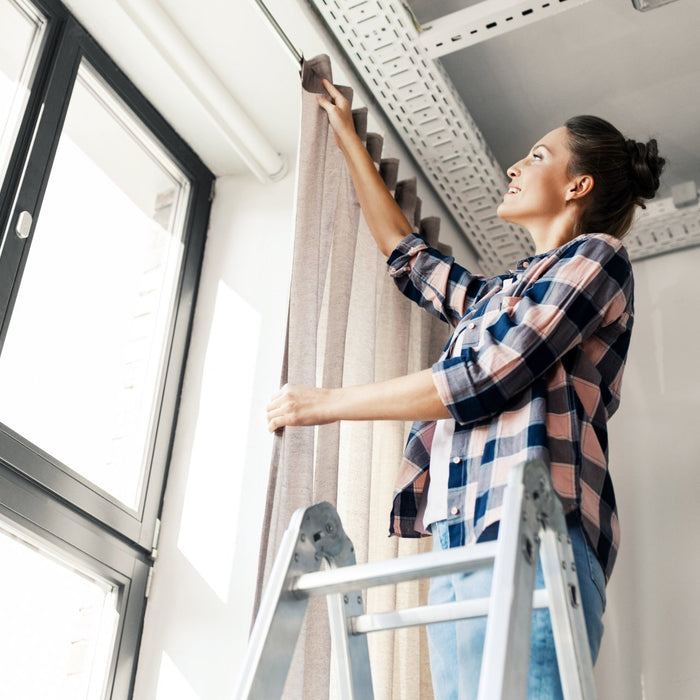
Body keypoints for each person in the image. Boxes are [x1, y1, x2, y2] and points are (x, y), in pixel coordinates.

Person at [266, 78, 665, 699]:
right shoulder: (495, 297)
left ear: (577, 185)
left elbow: (488, 376)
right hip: (462, 539)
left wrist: (327, 404)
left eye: (537, 156)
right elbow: (407, 256)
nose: (515, 165)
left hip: (534, 537)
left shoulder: (599, 258)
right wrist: (346, 133)